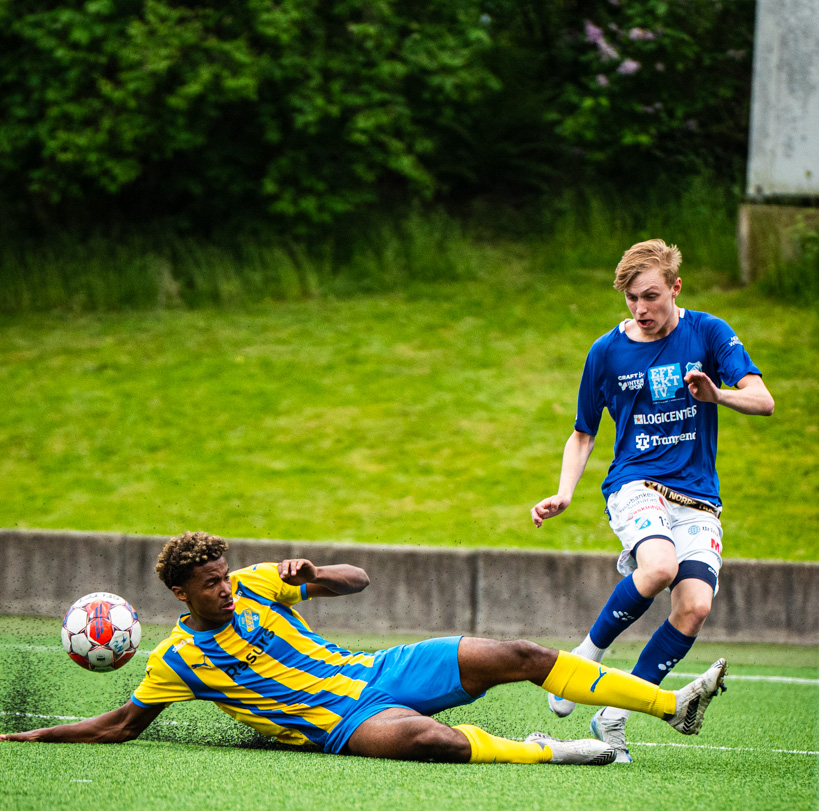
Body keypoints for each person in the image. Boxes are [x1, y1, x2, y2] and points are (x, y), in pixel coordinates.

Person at [0, 531, 728, 764]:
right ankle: (549, 751)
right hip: (339, 722)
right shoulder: (175, 662)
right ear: (179, 594)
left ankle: (672, 706)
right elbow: (121, 726)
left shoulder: (258, 583)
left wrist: (314, 573)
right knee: (427, 740)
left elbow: (360, 579)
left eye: (224, 576)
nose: (224, 588)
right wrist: (34, 733)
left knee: (520, 653)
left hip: (374, 670)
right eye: (210, 584)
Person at [530, 238, 772, 763]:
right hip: (636, 484)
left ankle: (612, 714)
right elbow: (583, 433)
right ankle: (582, 662)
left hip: (698, 498)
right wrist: (564, 493)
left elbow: (763, 399)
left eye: (651, 296)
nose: (641, 309)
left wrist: (717, 395)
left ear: (675, 288)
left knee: (695, 606)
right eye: (632, 298)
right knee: (659, 567)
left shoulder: (709, 332)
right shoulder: (606, 351)